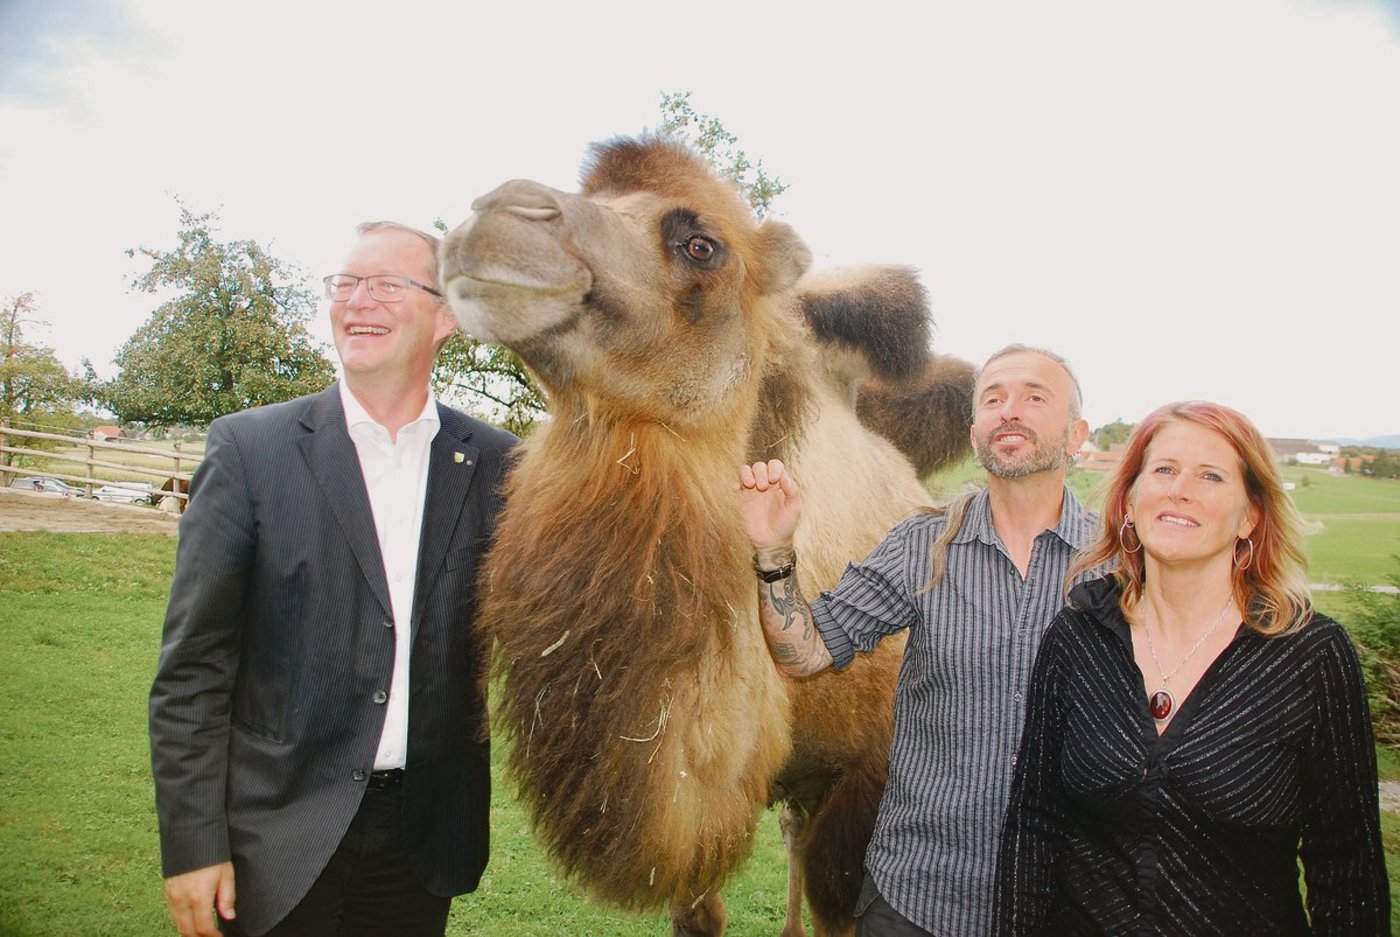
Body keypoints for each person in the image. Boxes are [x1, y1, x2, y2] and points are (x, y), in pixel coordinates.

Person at [149, 221, 517, 937]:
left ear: (446, 315)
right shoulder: (250, 450)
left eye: (385, 284)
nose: (358, 300)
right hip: (278, 831)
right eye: (345, 283)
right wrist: (194, 846)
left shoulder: (498, 463)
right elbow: (193, 667)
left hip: (421, 840)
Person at [995, 400, 1388, 935]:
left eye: (1211, 475)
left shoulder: (1310, 654)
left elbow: (1346, 863)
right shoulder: (1077, 636)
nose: (1180, 490)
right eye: (1164, 469)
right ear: (1130, 500)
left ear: (1250, 516)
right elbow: (1033, 825)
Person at [741, 344, 1094, 936]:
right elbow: (805, 651)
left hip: (1063, 901)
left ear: (1077, 434)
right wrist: (774, 552)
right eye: (993, 398)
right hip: (916, 897)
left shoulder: (1119, 565)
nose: (1010, 409)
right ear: (975, 432)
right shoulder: (919, 547)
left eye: (1035, 397)